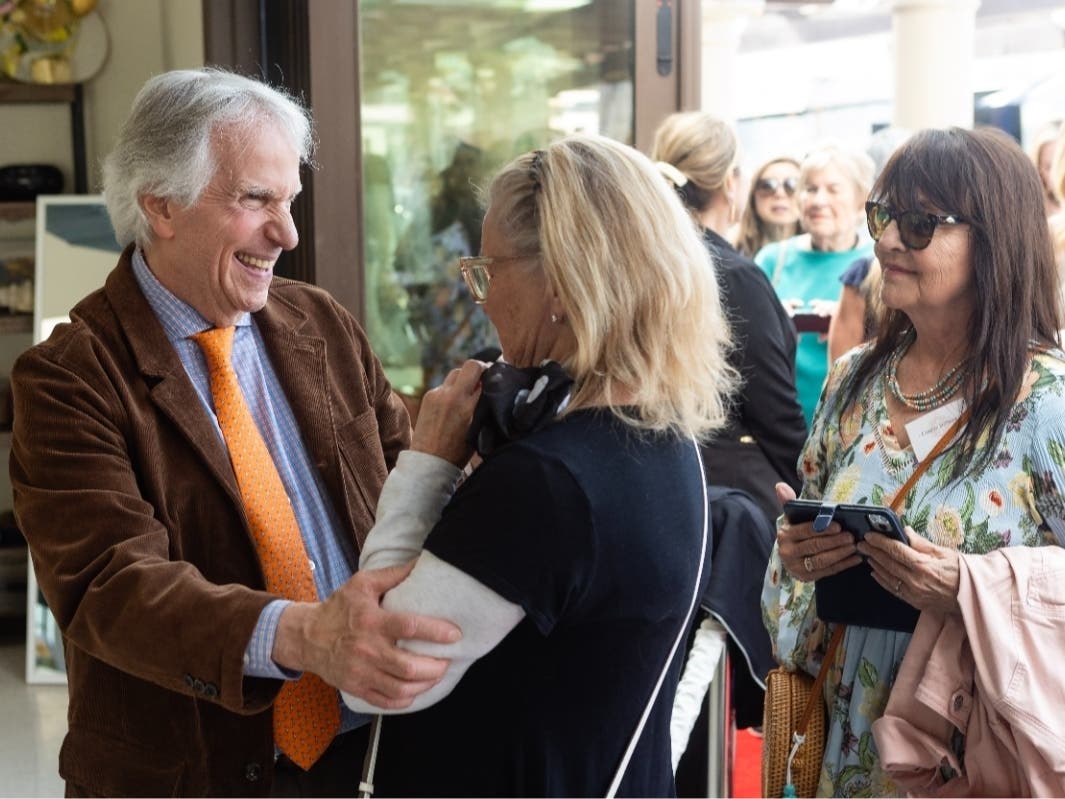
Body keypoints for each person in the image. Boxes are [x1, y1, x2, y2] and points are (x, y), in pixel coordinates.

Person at [8, 68, 462, 797]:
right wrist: (305, 635)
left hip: (374, 752)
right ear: (161, 204)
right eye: (256, 200)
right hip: (195, 773)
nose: (286, 233)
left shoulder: (321, 323)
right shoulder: (69, 378)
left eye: (289, 202)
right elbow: (111, 586)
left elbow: (402, 475)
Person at [342, 134, 738, 796]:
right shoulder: (662, 441)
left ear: (557, 280)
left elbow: (378, 667)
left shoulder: (547, 482)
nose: (481, 297)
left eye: (487, 270)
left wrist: (427, 463)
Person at [762, 127, 1065, 796]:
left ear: (994, 242)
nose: (889, 238)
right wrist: (796, 562)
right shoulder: (851, 382)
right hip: (839, 748)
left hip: (971, 756)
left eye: (921, 222)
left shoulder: (1045, 402)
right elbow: (785, 598)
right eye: (884, 214)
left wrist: (970, 588)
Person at [754, 143, 875, 425]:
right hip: (779, 422)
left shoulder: (877, 263)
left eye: (833, 190)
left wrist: (850, 319)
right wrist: (771, 322)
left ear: (861, 201)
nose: (818, 200)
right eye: (810, 189)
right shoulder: (773, 259)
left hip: (851, 422)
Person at [733, 156, 802, 258]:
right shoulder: (729, 256)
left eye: (793, 185)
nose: (780, 194)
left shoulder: (826, 253)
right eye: (767, 186)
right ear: (752, 196)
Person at [1029, 121, 1061, 218]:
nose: (1057, 173)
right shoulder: (1034, 213)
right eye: (1049, 167)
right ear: (1039, 171)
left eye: (1061, 164)